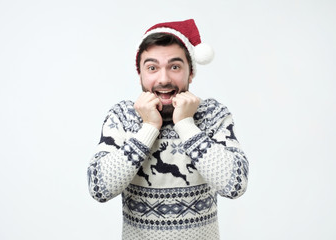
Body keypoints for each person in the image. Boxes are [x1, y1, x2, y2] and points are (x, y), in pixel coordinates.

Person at [87, 19, 249, 240]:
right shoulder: (122, 117)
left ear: (190, 73)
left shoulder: (213, 115)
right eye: (152, 68)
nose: (163, 79)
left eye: (174, 67)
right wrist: (148, 128)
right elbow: (100, 189)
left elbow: (235, 186)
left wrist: (186, 124)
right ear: (140, 74)